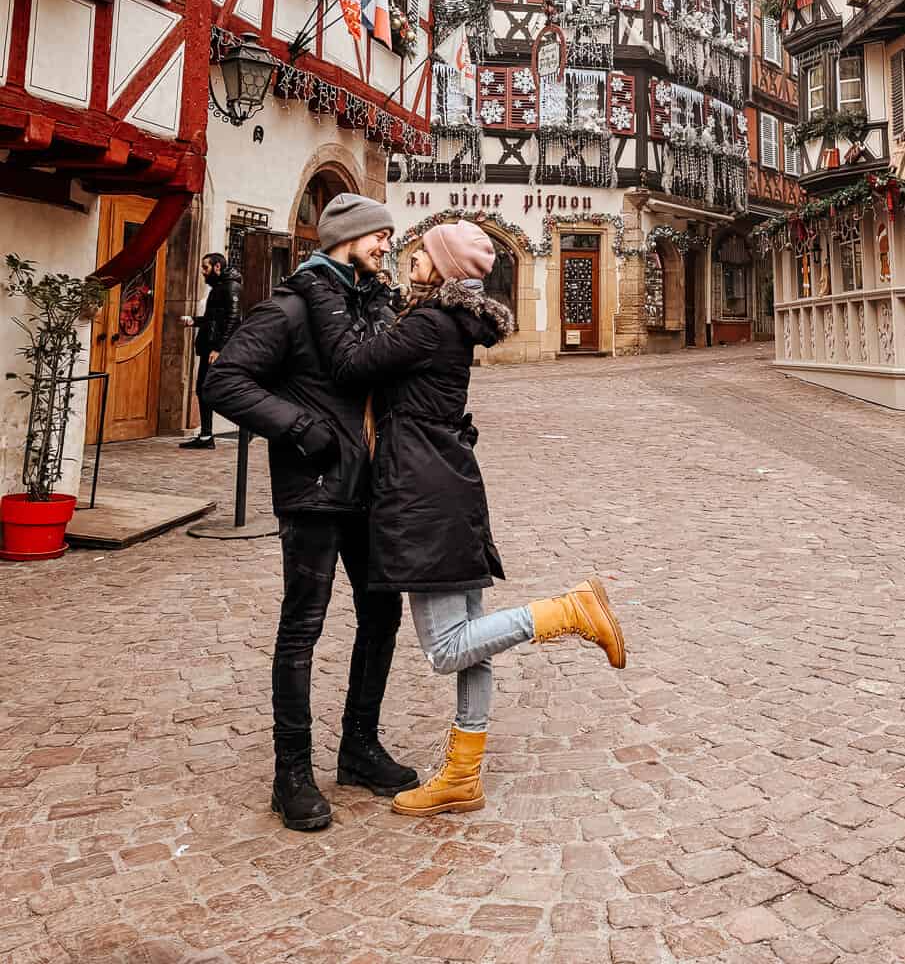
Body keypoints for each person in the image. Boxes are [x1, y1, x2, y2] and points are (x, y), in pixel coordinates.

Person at [293, 218, 626, 819]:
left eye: (422, 252)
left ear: (442, 266)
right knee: (471, 644)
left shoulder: (427, 325)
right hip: (450, 483)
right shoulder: (452, 322)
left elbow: (348, 364)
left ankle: (565, 611)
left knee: (447, 648)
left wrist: (321, 289)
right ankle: (462, 775)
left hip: (423, 492)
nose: (411, 256)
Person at [205, 194, 418, 832]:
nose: (386, 245)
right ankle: (290, 773)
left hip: (371, 486)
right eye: (378, 235)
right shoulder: (291, 309)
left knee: (382, 612)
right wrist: (302, 428)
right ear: (346, 237)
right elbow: (223, 381)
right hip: (317, 484)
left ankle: (358, 747)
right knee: (304, 625)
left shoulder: (369, 304)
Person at [180, 252, 239, 451]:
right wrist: (193, 321)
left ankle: (245, 426)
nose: (202, 272)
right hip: (210, 346)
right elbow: (213, 319)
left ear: (217, 267)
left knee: (212, 389)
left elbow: (233, 319)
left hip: (217, 349)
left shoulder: (231, 286)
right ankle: (206, 436)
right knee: (202, 389)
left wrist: (219, 348)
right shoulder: (219, 287)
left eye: (205, 268)